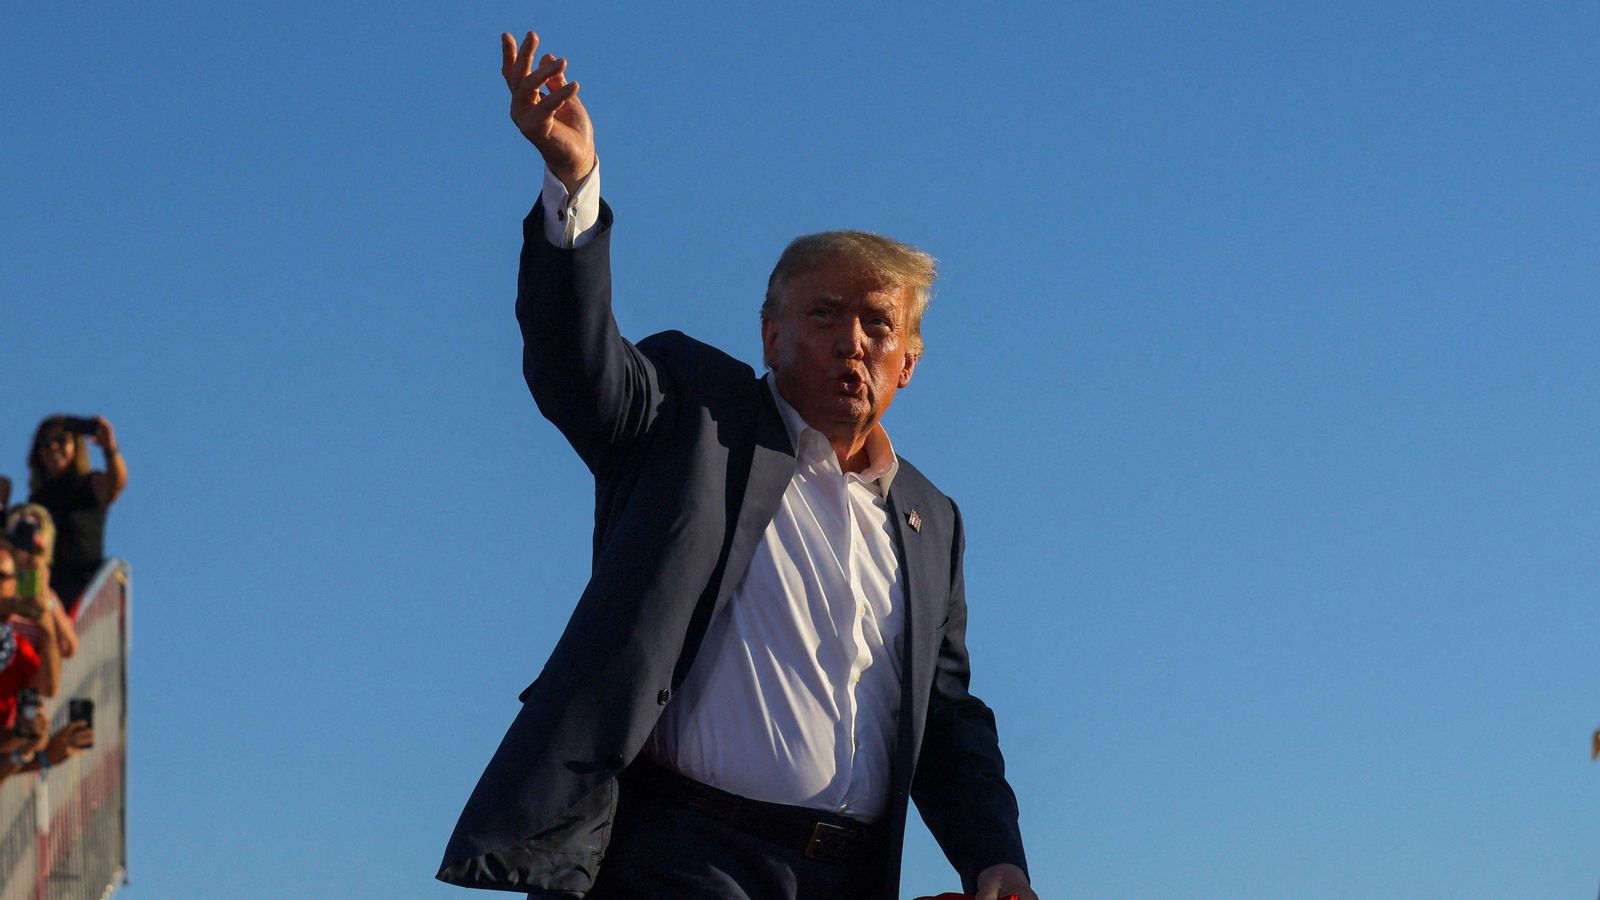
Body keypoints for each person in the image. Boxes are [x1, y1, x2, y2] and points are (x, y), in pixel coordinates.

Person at [438, 31, 1035, 900]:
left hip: (844, 877)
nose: (852, 342)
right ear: (771, 336)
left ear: (910, 361)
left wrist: (996, 857)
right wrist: (572, 184)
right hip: (678, 858)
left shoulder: (930, 520)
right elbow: (577, 365)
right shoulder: (691, 412)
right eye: (825, 313)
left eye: (879, 325)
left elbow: (944, 720)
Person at [27, 415, 126, 613]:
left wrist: (109, 448)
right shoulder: (36, 500)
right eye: (45, 444)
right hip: (49, 589)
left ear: (75, 445)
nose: (53, 448)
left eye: (60, 440)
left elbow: (116, 483)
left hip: (84, 587)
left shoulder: (88, 484)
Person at [5, 504, 80, 658]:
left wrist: (44, 596)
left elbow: (68, 647)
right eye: (19, 535)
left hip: (26, 675)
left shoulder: (49, 597)